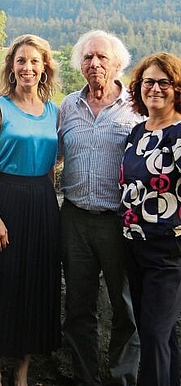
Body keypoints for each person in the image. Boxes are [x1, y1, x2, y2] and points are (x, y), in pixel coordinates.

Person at [0, 34, 61, 386]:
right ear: (12, 67)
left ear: (44, 68)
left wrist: (48, 204)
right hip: (4, 201)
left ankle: (22, 374)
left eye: (35, 62)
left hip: (42, 203)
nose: (28, 68)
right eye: (21, 61)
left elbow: (53, 165)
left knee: (35, 288)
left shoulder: (54, 110)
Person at [58, 29, 141, 386]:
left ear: (118, 64)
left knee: (125, 308)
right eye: (88, 57)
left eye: (102, 57)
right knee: (78, 307)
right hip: (74, 217)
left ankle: (123, 379)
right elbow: (53, 157)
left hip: (118, 221)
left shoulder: (136, 108)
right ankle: (86, 379)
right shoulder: (67, 106)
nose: (94, 64)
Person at [119, 52, 181, 386]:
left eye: (163, 82)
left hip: (167, 252)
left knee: (155, 335)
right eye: (148, 82)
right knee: (159, 333)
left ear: (177, 89)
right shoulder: (138, 132)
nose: (154, 88)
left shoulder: (179, 133)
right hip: (134, 246)